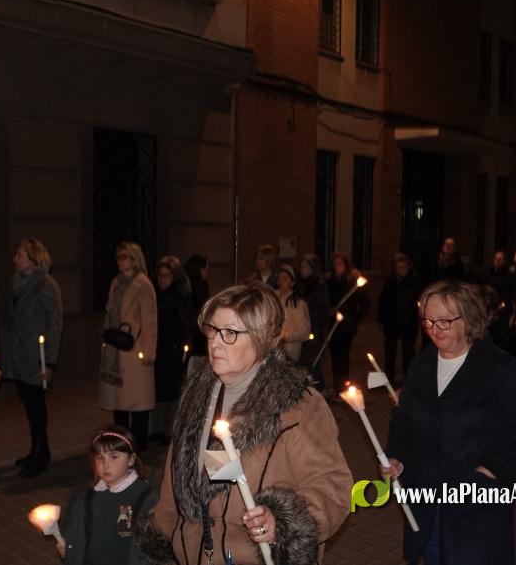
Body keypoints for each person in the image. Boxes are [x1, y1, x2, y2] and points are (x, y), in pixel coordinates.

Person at [136, 283, 352, 565]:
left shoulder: (298, 406)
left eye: (230, 333)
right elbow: (172, 484)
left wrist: (282, 522)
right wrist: (160, 541)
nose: (215, 342)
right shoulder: (196, 394)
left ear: (261, 338)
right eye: (212, 330)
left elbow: (333, 487)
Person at [383, 280, 516, 565]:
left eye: (444, 321)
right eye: (427, 321)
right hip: (427, 496)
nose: (433, 329)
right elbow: (404, 420)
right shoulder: (422, 365)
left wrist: (494, 469)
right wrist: (396, 456)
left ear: (469, 318)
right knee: (433, 554)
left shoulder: (501, 368)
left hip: (475, 498)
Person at [56, 425, 157, 565]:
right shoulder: (86, 496)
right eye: (99, 458)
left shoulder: (146, 497)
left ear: (131, 459)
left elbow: (152, 547)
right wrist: (71, 548)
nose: (105, 464)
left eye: (113, 457)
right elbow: (78, 533)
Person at [6, 238, 63, 478]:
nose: (16, 260)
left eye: (20, 255)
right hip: (21, 353)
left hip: (37, 357)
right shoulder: (18, 282)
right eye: (16, 255)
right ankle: (37, 450)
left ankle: (41, 455)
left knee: (36, 406)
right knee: (29, 405)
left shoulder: (47, 285)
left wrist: (49, 361)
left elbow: (55, 324)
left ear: (33, 259)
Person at [99, 242, 157, 452]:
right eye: (118, 257)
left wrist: (148, 352)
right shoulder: (116, 282)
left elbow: (150, 320)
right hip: (115, 348)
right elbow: (109, 312)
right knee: (119, 401)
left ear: (135, 259)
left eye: (124, 256)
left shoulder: (143, 285)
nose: (120, 261)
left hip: (134, 349)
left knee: (136, 400)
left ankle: (139, 444)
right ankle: (121, 441)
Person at [152, 256, 193, 446]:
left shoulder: (180, 296)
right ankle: (157, 429)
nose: (162, 280)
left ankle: (170, 430)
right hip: (158, 347)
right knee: (158, 390)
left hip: (174, 349)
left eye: (166, 276)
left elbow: (186, 323)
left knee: (172, 391)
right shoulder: (155, 294)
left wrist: (182, 347)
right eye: (160, 275)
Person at [326, 252, 368, 393]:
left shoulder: (352, 282)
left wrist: (355, 317)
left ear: (345, 265)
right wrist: (330, 311)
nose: (337, 266)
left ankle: (343, 385)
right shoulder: (330, 282)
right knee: (334, 355)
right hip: (333, 324)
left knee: (343, 355)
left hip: (347, 325)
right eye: (335, 264)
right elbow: (327, 301)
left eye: (340, 263)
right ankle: (337, 386)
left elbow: (364, 302)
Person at [378, 253, 420, 387]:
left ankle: (409, 379)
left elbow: (418, 300)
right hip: (392, 322)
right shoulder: (390, 282)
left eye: (404, 267)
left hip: (408, 322)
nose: (402, 270)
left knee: (408, 352)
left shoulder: (414, 281)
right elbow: (383, 301)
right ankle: (389, 379)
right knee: (390, 352)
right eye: (399, 267)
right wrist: (381, 319)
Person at [296, 253, 330, 387]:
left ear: (312, 269)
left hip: (314, 331)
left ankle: (320, 390)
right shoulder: (298, 286)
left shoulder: (319, 287)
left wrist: (321, 330)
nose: (302, 269)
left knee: (312, 364)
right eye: (301, 266)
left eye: (305, 266)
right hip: (301, 330)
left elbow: (323, 311)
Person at [276, 264, 310, 362]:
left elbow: (304, 330)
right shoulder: (274, 298)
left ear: (293, 282)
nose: (280, 282)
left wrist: (285, 337)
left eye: (284, 279)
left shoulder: (297, 304)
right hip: (274, 349)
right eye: (279, 278)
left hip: (290, 350)